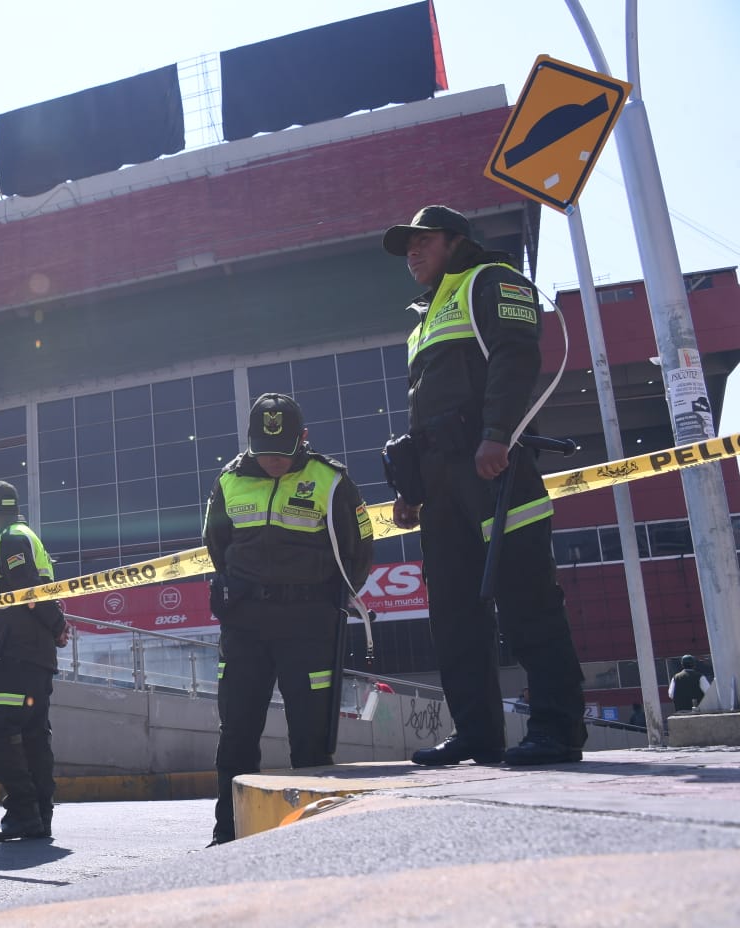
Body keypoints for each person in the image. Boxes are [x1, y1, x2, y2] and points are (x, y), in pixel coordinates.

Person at [382, 205, 586, 767]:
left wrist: (497, 434)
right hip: (442, 485)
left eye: (423, 241)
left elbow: (516, 358)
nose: (412, 254)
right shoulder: (423, 320)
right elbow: (428, 414)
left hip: (495, 470)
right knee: (453, 614)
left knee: (528, 601)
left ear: (454, 240)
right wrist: (411, 490)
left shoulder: (491, 280)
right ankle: (477, 733)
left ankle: (558, 729)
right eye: (407, 247)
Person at [203, 393, 373, 846]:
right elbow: (217, 545)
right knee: (236, 732)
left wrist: (324, 597)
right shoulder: (229, 480)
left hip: (308, 623)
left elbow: (359, 549)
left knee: (311, 736)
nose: (273, 460)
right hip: (245, 624)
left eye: (282, 450)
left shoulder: (331, 480)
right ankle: (228, 833)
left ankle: (316, 838)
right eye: (264, 451)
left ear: (303, 438)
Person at [0, 480, 70, 843]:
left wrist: (57, 625)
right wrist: (56, 626)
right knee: (33, 738)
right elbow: (36, 590)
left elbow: (26, 590)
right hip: (32, 656)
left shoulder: (11, 540)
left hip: (16, 655)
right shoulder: (24, 537)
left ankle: (23, 811)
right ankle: (39, 817)